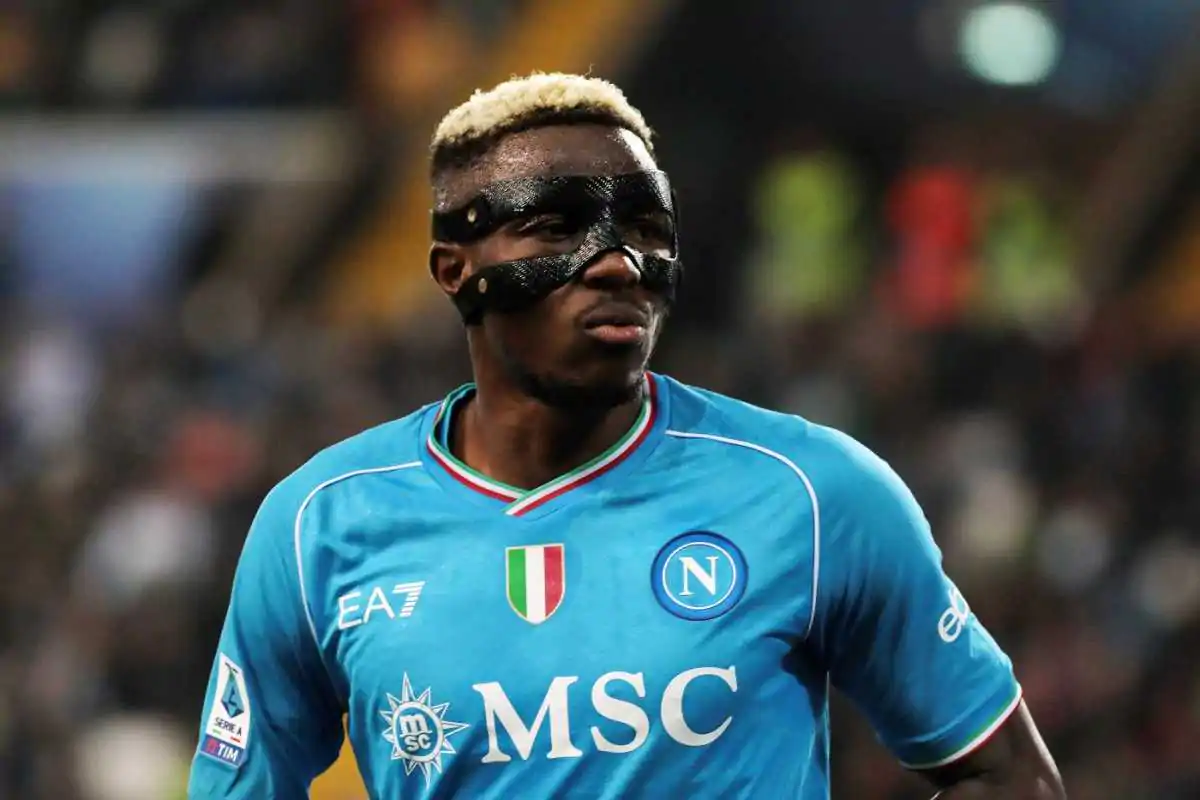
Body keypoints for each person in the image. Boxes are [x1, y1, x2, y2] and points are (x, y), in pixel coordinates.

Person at [188, 72, 1066, 799]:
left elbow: (1005, 775)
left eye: (647, 230)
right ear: (455, 270)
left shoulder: (813, 493)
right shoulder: (317, 525)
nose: (617, 262)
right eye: (557, 225)